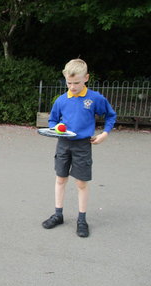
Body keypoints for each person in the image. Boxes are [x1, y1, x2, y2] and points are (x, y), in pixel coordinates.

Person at [42, 58, 116, 238]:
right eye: (69, 82)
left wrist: (104, 134)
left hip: (83, 145)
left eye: (76, 83)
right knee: (60, 179)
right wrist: (55, 129)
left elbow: (110, 116)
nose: (72, 87)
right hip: (63, 144)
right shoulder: (61, 100)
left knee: (81, 183)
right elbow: (52, 120)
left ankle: (82, 219)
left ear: (86, 78)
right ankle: (58, 214)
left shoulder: (95, 98)